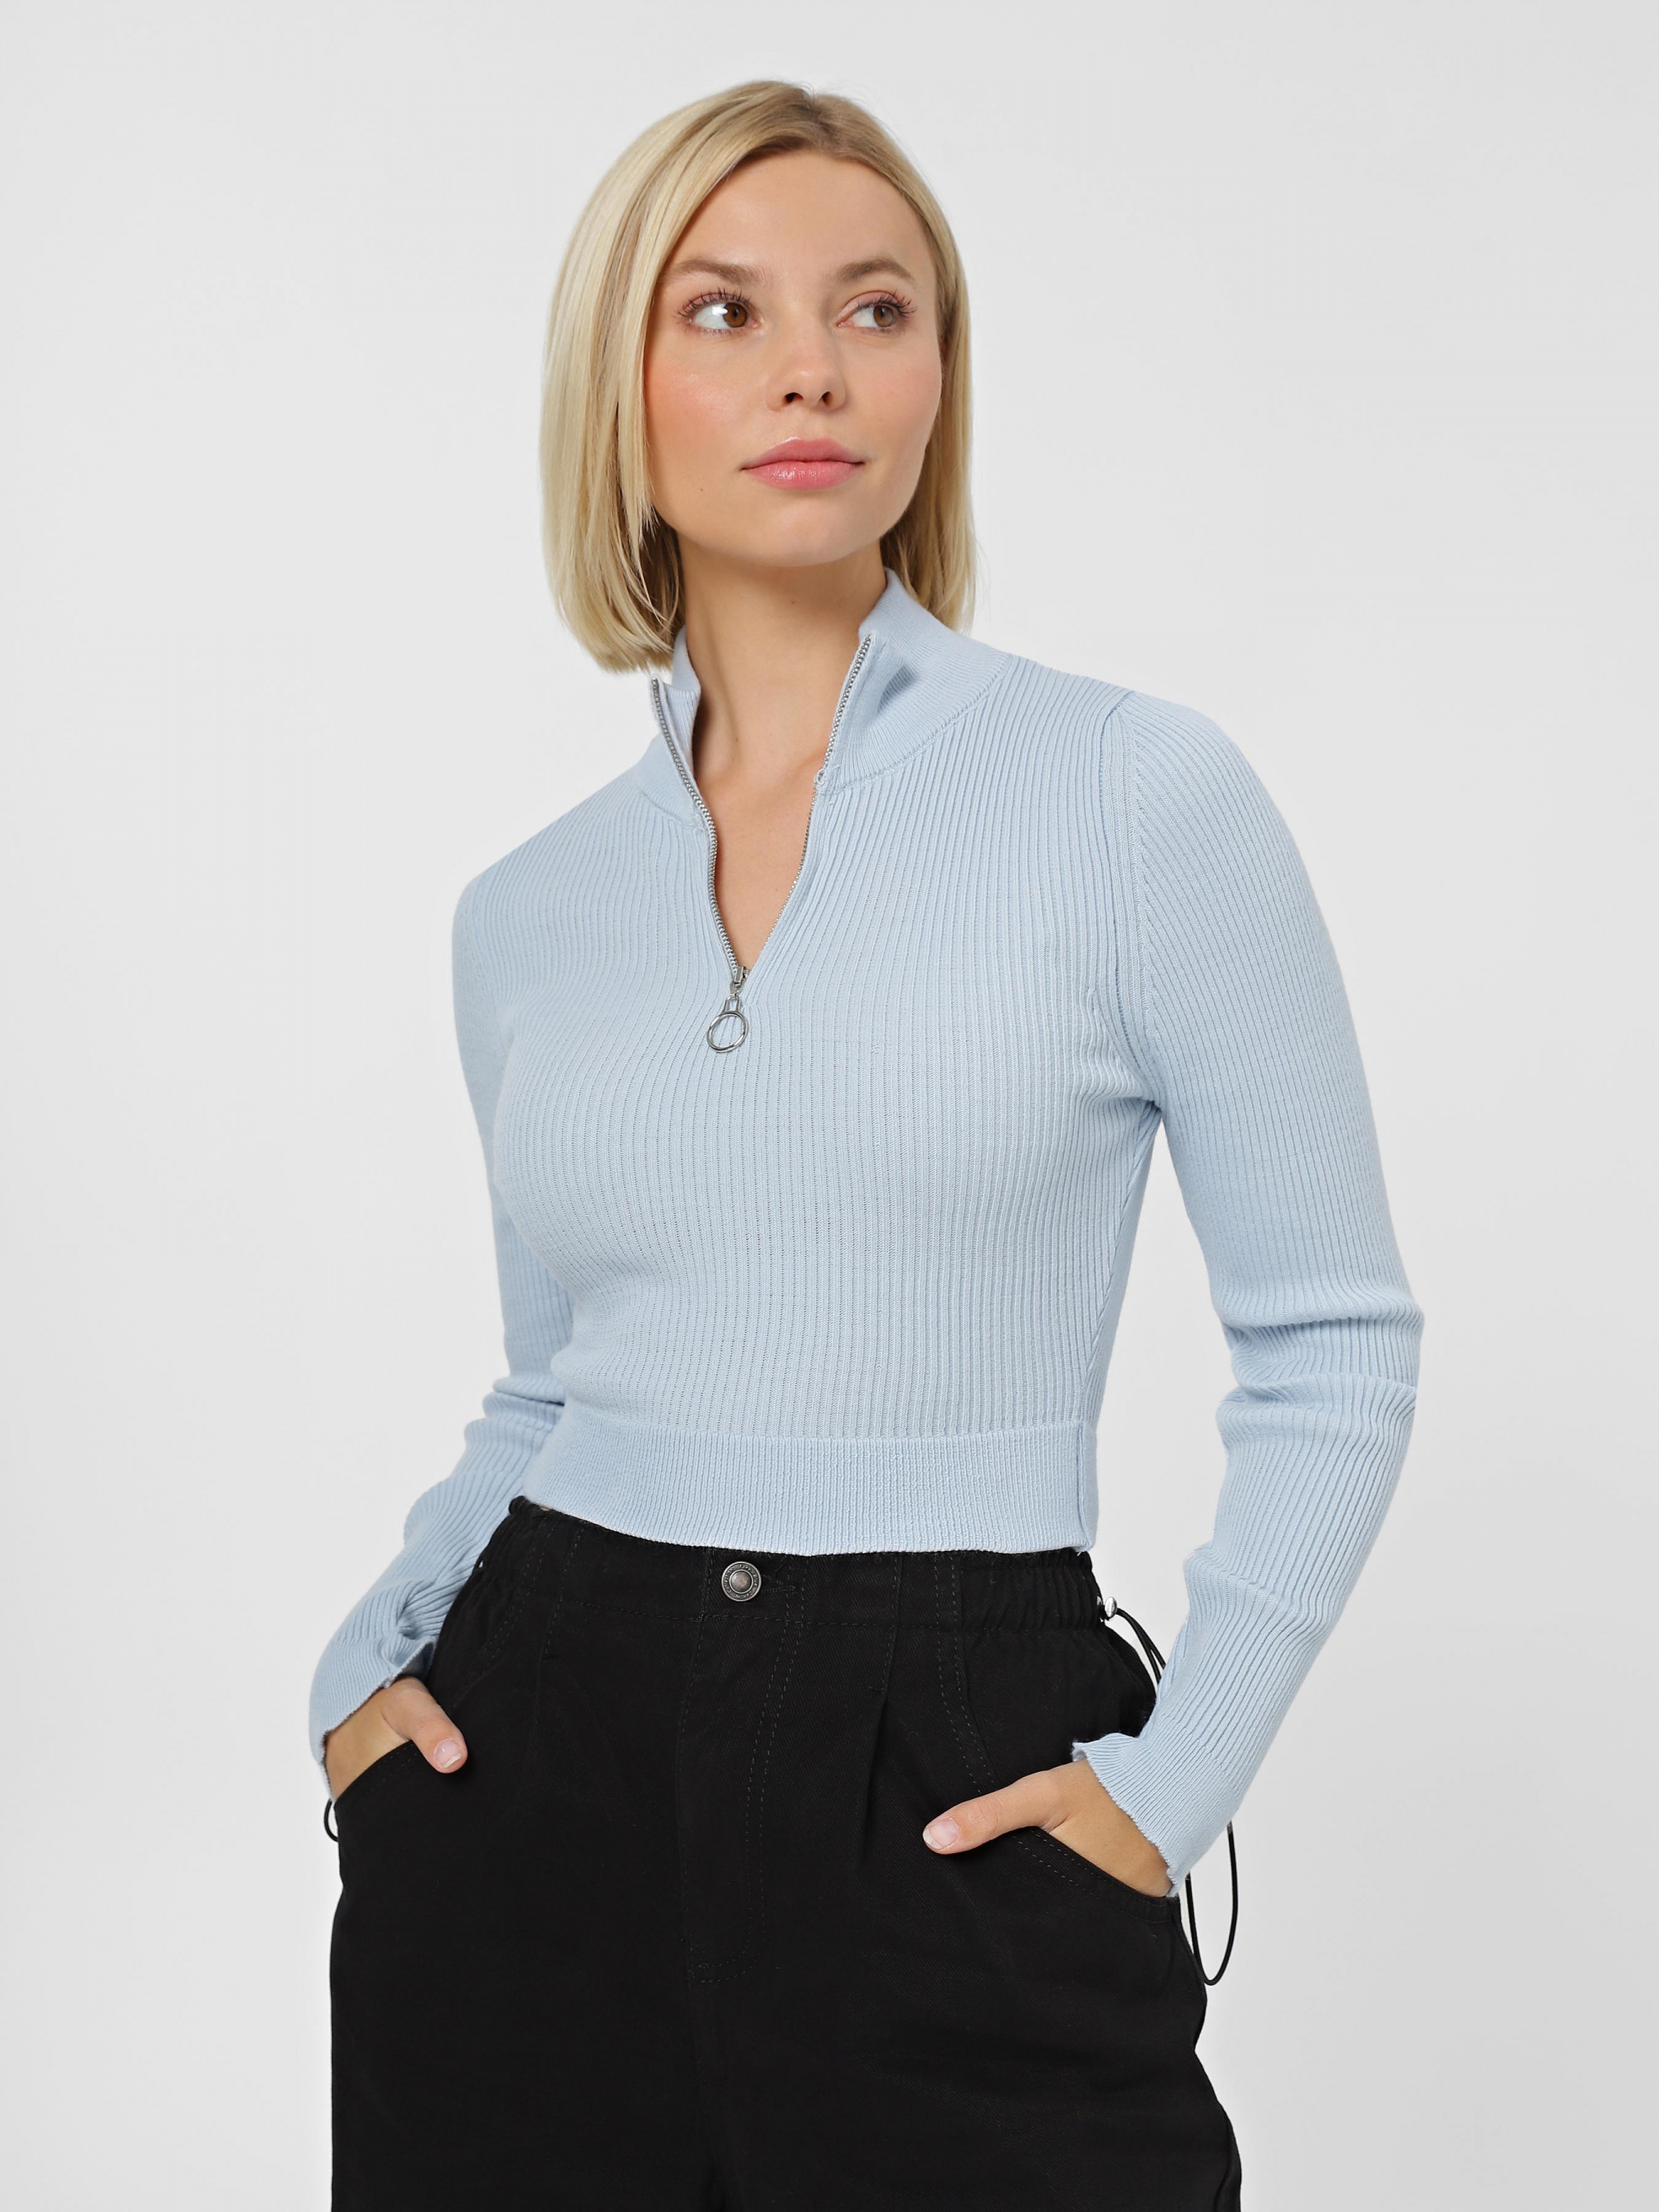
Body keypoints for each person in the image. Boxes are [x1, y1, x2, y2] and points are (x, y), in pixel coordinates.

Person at [311, 79, 1422, 2210]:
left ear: (937, 377)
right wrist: (365, 1662)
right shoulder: (523, 913)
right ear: (617, 382)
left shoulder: (1130, 795)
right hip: (531, 1777)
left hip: (955, 1768)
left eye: (877, 307)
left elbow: (1335, 1346)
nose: (811, 366)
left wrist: (1169, 1788)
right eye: (724, 309)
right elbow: (550, 1386)